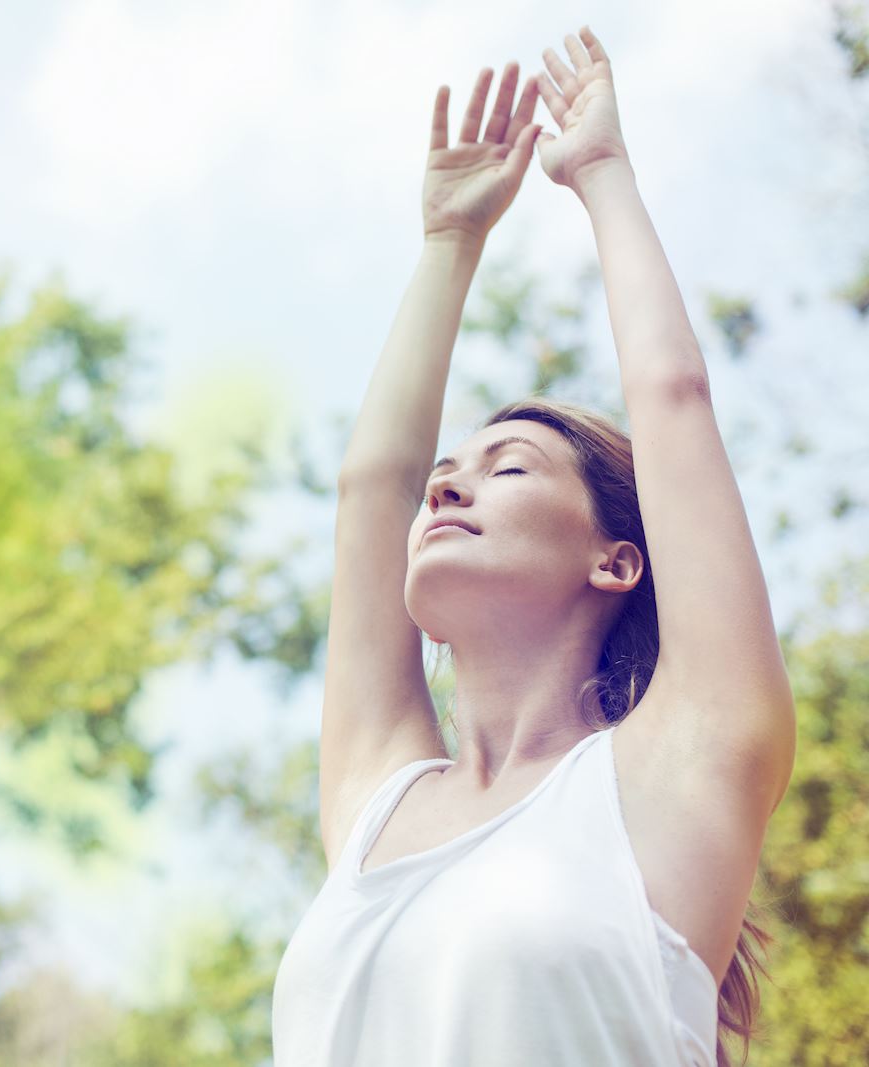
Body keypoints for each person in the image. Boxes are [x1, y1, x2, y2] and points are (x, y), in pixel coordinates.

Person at [272, 28, 794, 1067]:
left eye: (506, 465)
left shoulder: (680, 769)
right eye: (447, 475)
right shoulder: (376, 795)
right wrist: (445, 241)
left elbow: (673, 400)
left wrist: (600, 173)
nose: (446, 481)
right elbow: (372, 491)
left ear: (615, 559)